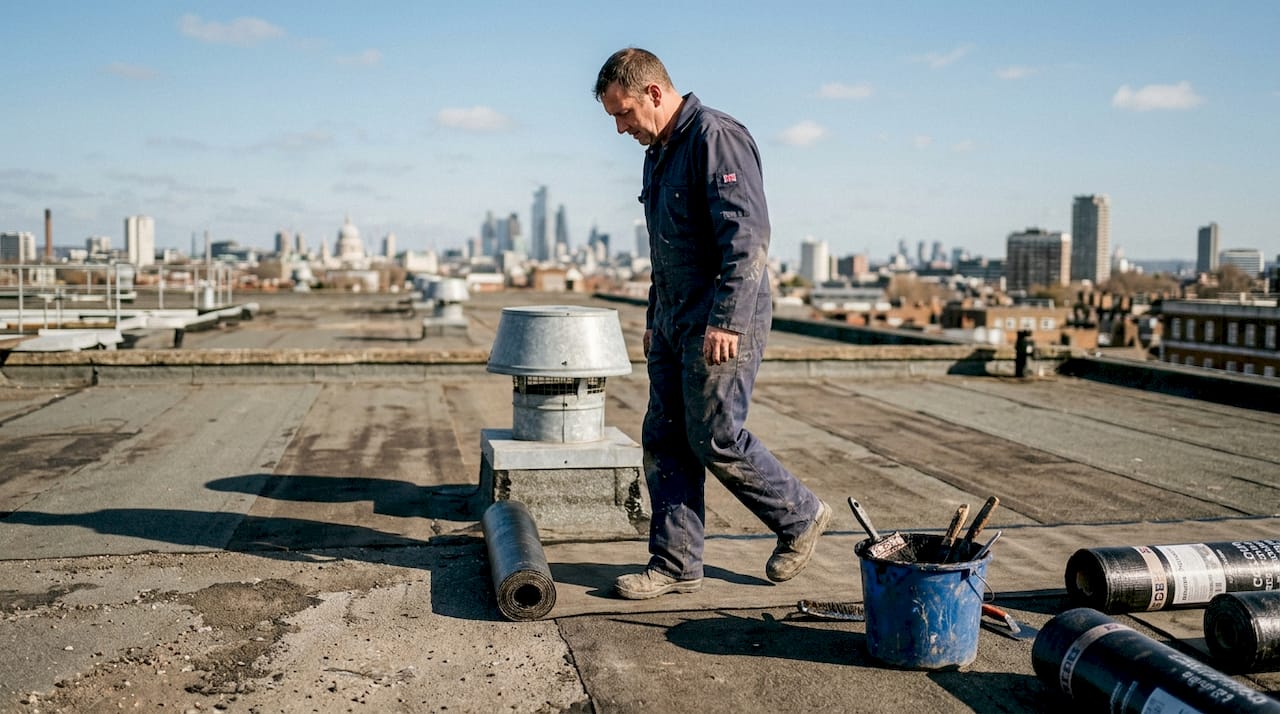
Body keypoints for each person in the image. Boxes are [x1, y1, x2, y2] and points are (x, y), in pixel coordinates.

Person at [594, 48, 831, 600]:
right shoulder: (658, 151)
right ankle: (675, 563)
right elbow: (665, 247)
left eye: (623, 112)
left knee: (715, 435)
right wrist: (657, 317)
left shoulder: (715, 137)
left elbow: (746, 238)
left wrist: (726, 321)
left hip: (722, 318)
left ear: (654, 93)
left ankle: (799, 516)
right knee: (665, 437)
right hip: (675, 317)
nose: (620, 127)